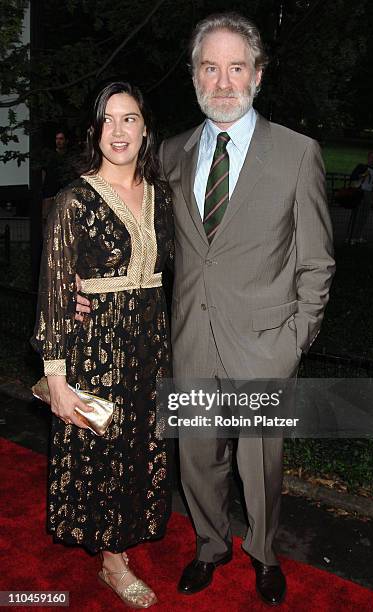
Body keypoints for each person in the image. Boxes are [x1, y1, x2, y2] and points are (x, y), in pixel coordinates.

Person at [77, 12, 335, 607]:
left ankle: (265, 554)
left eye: (236, 67)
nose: (223, 82)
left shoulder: (298, 154)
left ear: (258, 75)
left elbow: (316, 261)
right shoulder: (168, 153)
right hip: (190, 340)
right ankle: (211, 546)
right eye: (209, 67)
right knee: (196, 461)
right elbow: (133, 229)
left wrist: (294, 341)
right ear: (194, 75)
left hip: (264, 345)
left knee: (260, 470)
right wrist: (87, 287)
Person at [32, 81, 174, 609]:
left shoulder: (164, 196)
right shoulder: (74, 200)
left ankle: (125, 539)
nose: (119, 131)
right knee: (105, 450)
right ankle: (113, 563)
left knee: (142, 447)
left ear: (145, 129)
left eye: (130, 119)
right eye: (109, 120)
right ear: (96, 131)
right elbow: (52, 290)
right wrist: (56, 378)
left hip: (151, 347)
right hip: (96, 347)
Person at [41, 130, 76, 230]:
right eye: (57, 139)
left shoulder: (70, 157)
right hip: (49, 190)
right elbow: (44, 172)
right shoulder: (50, 156)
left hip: (65, 190)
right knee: (47, 217)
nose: (58, 141)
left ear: (66, 141)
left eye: (61, 139)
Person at [347, 151, 373, 244]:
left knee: (364, 216)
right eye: (372, 157)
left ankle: (358, 236)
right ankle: (350, 237)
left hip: (369, 195)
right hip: (360, 193)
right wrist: (362, 175)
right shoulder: (361, 167)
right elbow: (353, 177)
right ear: (368, 157)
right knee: (357, 215)